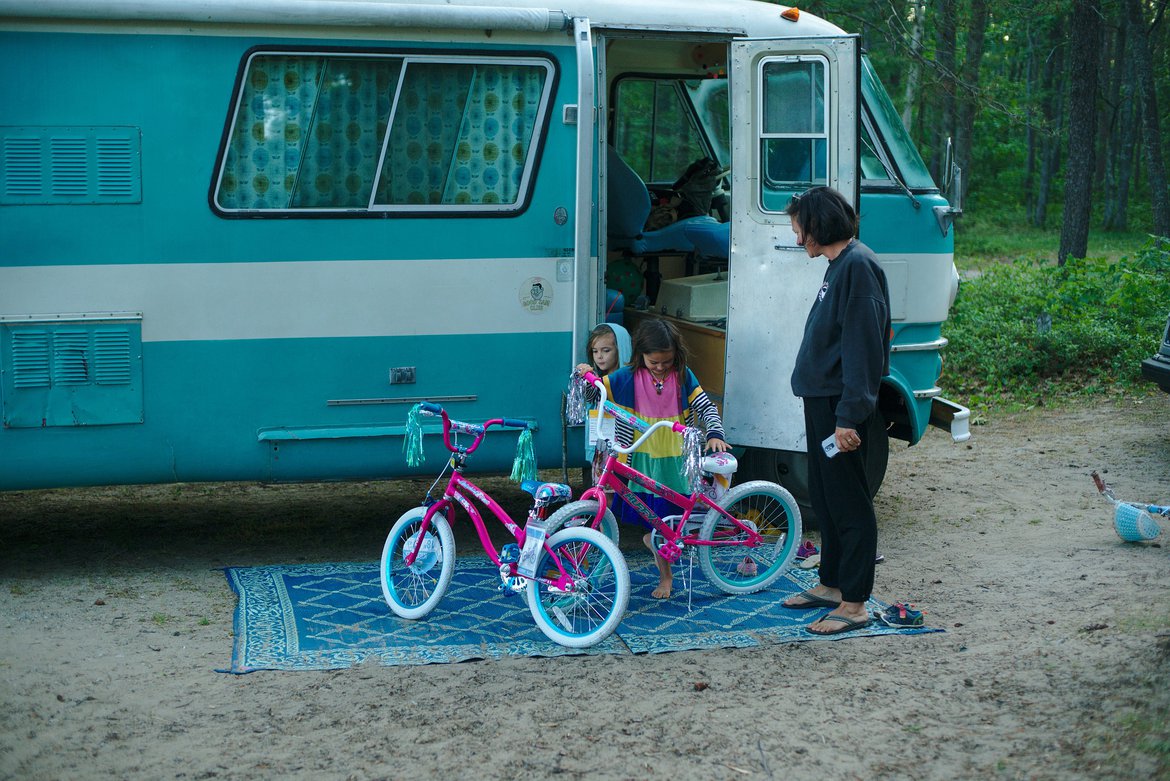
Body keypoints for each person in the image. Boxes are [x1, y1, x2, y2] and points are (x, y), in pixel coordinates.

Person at [779, 186, 891, 636]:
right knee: (824, 497)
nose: (794, 232)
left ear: (816, 224)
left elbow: (863, 350)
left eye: (796, 224)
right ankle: (830, 584)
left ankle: (855, 603)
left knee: (849, 502)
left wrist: (849, 416)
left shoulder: (859, 267)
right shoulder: (838, 265)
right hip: (823, 401)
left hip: (840, 406)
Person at [576, 318, 729, 599]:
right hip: (640, 460)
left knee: (663, 526)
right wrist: (585, 374)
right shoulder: (625, 377)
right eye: (653, 362)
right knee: (652, 527)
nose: (659, 367)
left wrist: (715, 433)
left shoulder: (683, 376)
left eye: (666, 362)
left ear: (675, 357)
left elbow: (705, 405)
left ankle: (666, 577)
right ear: (640, 355)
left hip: (675, 463)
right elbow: (593, 395)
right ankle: (662, 568)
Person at [581, 322, 632, 486]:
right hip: (602, 444)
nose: (599, 356)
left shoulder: (629, 379)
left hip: (624, 446)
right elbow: (590, 397)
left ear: (621, 349)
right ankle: (606, 512)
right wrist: (588, 376)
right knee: (603, 487)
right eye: (595, 351)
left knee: (621, 487)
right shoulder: (597, 379)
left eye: (606, 350)